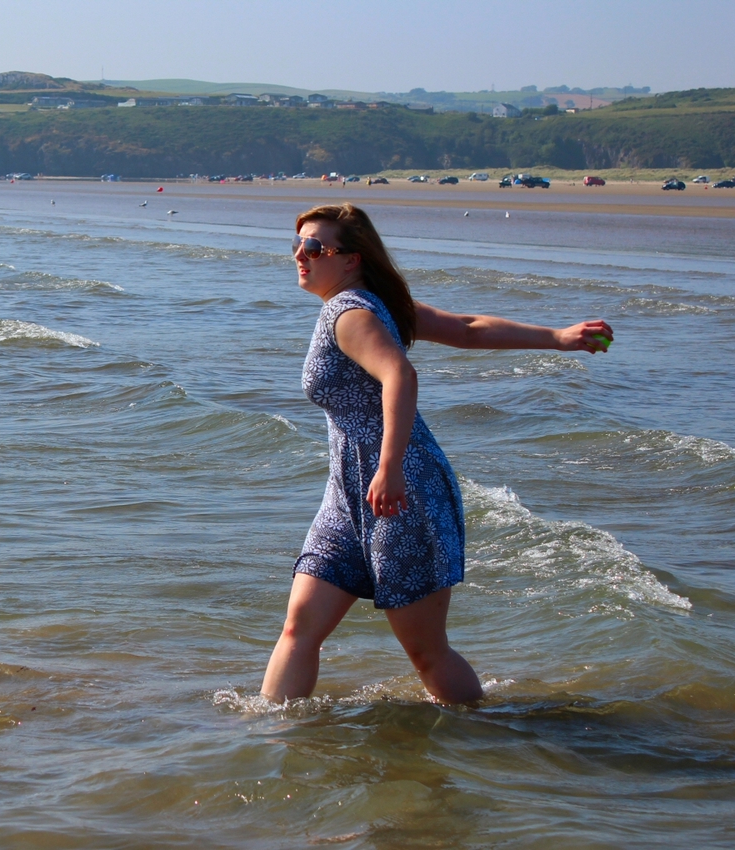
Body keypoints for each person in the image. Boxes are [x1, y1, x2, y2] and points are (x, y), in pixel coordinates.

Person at [261, 203, 612, 705]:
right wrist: (555, 337)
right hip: (348, 498)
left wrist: (388, 467)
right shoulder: (373, 304)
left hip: (398, 491)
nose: (300, 254)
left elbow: (400, 376)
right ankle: (271, 740)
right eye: (297, 245)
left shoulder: (350, 313)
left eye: (315, 247)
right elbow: (467, 329)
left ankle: (480, 741)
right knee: (300, 627)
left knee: (427, 652)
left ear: (350, 259)